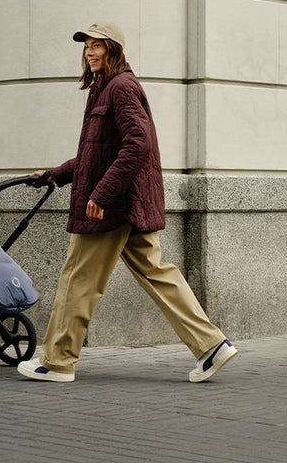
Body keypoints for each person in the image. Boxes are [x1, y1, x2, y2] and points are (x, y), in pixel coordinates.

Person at [17, 20, 237, 383]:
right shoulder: (103, 88)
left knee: (78, 280)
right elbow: (98, 155)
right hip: (126, 203)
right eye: (86, 46)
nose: (89, 52)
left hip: (112, 204)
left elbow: (139, 144)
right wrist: (56, 174)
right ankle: (212, 345)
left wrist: (101, 194)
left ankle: (56, 362)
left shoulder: (120, 87)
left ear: (113, 50)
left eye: (97, 46)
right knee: (158, 273)